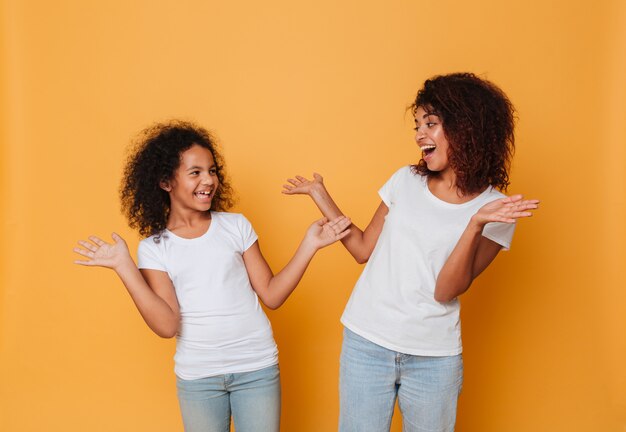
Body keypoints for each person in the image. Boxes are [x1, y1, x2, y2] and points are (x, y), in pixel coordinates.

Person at [282, 72, 539, 432]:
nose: (419, 134)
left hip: (434, 358)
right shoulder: (406, 180)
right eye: (418, 125)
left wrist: (474, 224)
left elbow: (445, 290)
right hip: (366, 342)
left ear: (467, 128)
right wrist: (320, 196)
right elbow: (361, 249)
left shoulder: (497, 210)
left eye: (430, 123)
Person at [73, 120, 351, 432]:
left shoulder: (235, 226)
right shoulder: (155, 248)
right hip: (198, 377)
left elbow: (272, 295)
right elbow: (167, 326)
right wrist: (125, 268)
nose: (209, 180)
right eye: (195, 172)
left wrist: (310, 244)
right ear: (166, 181)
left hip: (256, 368)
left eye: (212, 170)